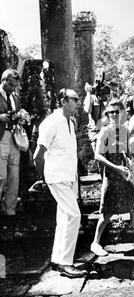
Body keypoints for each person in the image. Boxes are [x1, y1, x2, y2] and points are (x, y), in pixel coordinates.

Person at [91, 98, 134, 256]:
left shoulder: (125, 131)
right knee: (107, 212)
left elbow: (128, 153)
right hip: (112, 175)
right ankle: (95, 243)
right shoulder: (105, 131)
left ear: (122, 113)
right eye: (111, 112)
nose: (114, 114)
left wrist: (131, 162)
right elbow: (98, 156)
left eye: (117, 111)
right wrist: (115, 168)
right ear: (108, 114)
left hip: (125, 175)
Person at [33, 88, 87, 278]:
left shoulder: (71, 122)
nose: (78, 102)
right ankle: (66, 263)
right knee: (74, 216)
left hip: (69, 176)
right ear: (63, 101)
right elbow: (38, 156)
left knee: (65, 217)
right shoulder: (51, 122)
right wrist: (44, 178)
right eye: (74, 99)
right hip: (56, 177)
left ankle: (58, 260)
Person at [0, 69, 21, 217]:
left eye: (15, 86)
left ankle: (10, 209)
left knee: (14, 174)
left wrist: (20, 116)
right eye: (11, 85)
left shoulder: (15, 97)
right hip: (1, 137)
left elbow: (17, 113)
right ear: (3, 81)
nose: (13, 88)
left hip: (14, 137)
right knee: (1, 176)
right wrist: (1, 117)